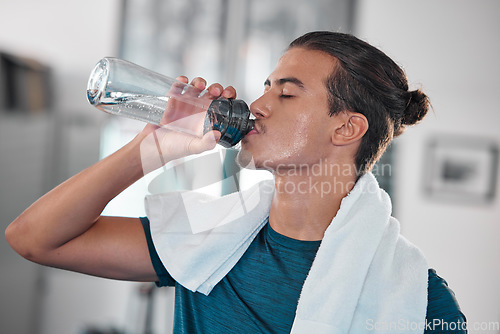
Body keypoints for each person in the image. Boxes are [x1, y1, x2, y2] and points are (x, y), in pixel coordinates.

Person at [5, 31, 466, 333]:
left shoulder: (418, 301)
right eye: (266, 87)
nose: (259, 104)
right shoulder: (206, 238)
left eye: (285, 92)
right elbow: (33, 239)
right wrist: (152, 148)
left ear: (345, 129)